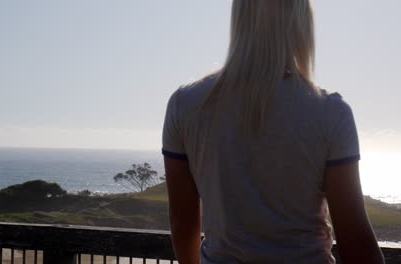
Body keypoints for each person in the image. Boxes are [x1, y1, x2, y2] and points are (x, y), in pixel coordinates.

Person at [162, 1, 385, 263]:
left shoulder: (186, 105)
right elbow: (355, 240)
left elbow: (183, 223)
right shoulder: (330, 112)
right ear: (300, 20)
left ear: (240, 17)